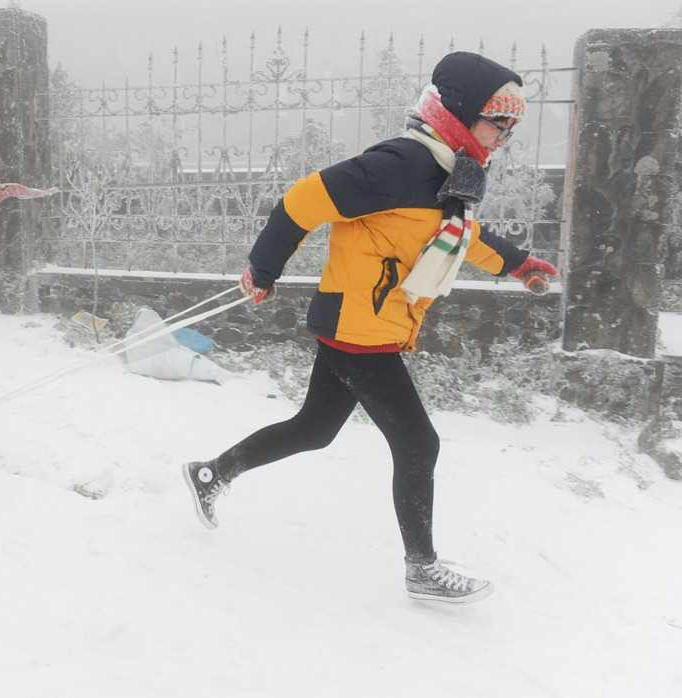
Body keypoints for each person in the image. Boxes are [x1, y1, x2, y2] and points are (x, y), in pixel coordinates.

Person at [183, 52, 558, 604]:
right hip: (357, 329)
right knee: (418, 442)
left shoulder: (449, 172)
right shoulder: (400, 164)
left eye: (511, 126)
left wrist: (518, 263)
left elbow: (461, 235)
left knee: (314, 428)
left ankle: (212, 474)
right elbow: (302, 202)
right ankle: (422, 569)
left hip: (367, 323)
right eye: (497, 121)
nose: (505, 135)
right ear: (459, 111)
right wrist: (264, 269)